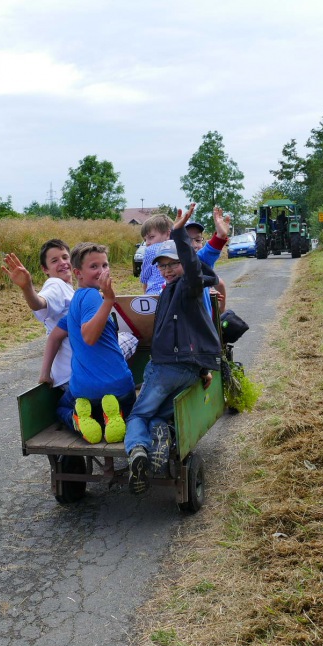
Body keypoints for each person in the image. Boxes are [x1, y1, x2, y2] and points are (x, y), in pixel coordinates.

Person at [124, 207, 223, 495]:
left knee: (137, 416)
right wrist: (204, 370)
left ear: (184, 263)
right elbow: (193, 330)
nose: (167, 270)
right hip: (188, 370)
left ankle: (137, 451)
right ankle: (161, 437)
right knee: (157, 415)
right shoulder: (170, 290)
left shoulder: (186, 287)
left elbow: (193, 268)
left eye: (173, 264)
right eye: (162, 266)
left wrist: (179, 233)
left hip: (168, 367)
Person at [40, 242, 136, 444]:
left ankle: (81, 418)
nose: (102, 271)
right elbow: (89, 336)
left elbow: (55, 336)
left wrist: (45, 373)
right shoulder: (93, 296)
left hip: (85, 392)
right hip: (120, 390)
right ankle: (113, 415)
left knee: (63, 407)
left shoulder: (76, 300)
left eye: (105, 265)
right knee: (128, 400)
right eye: (94, 267)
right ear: (78, 273)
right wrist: (109, 300)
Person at [1, 240, 73, 388]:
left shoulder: (70, 290)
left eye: (65, 257)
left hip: (72, 372)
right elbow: (39, 303)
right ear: (45, 269)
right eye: (54, 260)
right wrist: (27, 288)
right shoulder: (55, 284)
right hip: (72, 374)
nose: (62, 262)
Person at [138, 212, 173, 295]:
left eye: (151, 237)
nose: (147, 243)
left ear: (168, 234)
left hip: (155, 294)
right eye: (145, 239)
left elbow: (144, 278)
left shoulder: (151, 250)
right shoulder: (178, 248)